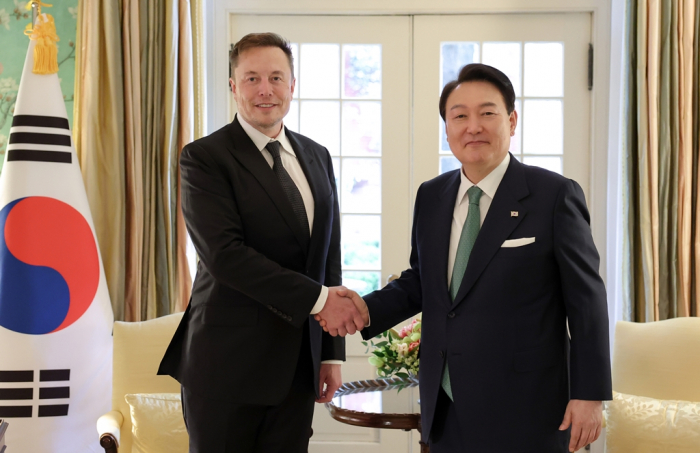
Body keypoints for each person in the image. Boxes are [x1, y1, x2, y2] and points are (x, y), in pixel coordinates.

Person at [318, 63, 612, 453]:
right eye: (459, 116)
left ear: (511, 120)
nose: (473, 126)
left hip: (528, 406)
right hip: (446, 404)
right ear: (447, 128)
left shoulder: (553, 195)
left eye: (487, 113)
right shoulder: (432, 196)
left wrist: (590, 395)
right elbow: (423, 281)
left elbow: (586, 300)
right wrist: (364, 311)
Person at [158, 32, 366, 453]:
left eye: (276, 77)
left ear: (293, 86)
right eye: (251, 78)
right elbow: (225, 257)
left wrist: (331, 354)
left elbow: (327, 256)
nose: (265, 89)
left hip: (296, 368)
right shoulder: (204, 158)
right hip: (225, 366)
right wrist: (321, 301)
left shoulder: (318, 156)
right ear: (233, 87)